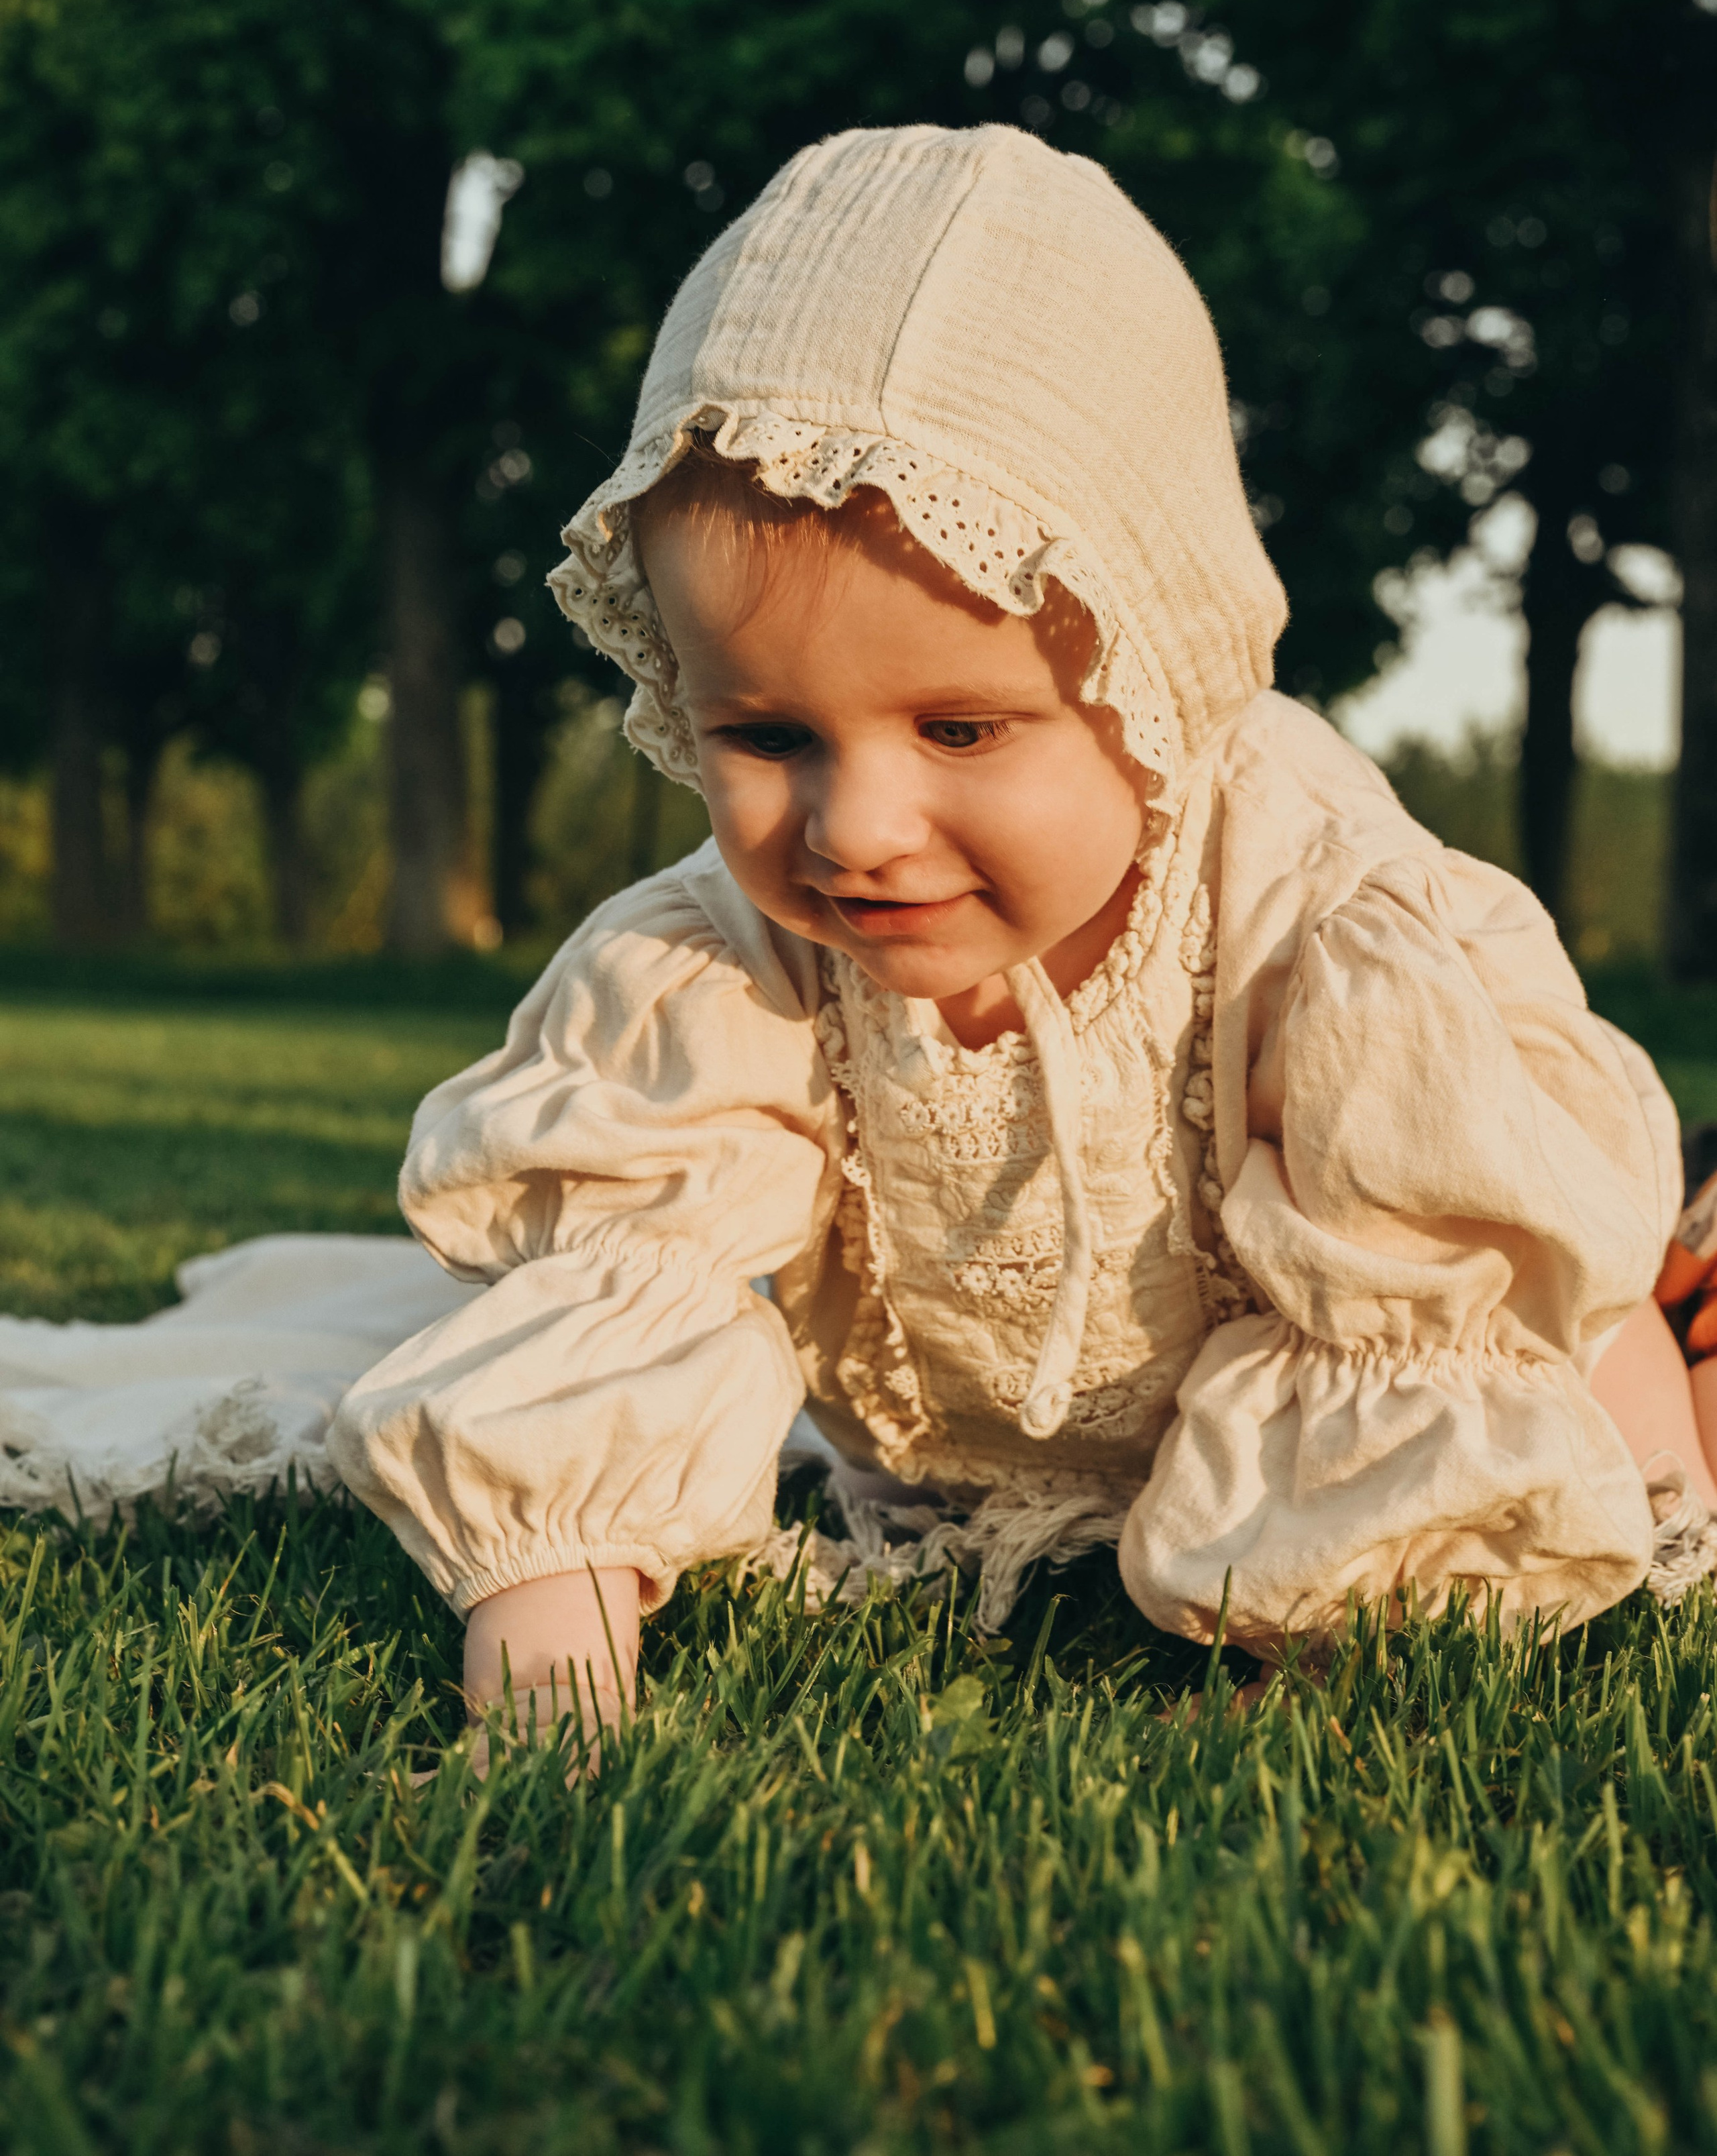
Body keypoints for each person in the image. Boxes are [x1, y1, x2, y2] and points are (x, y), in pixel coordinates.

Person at [316, 123, 1705, 1751]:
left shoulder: (1306, 916)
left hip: (1475, 1397)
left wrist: (1301, 1684)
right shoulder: (715, 961)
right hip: (983, 1478)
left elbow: (1412, 1327)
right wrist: (550, 1712)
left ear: (1150, 676)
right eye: (765, 735)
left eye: (960, 730)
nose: (854, 828)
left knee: (1615, 1367)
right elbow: (602, 1314)